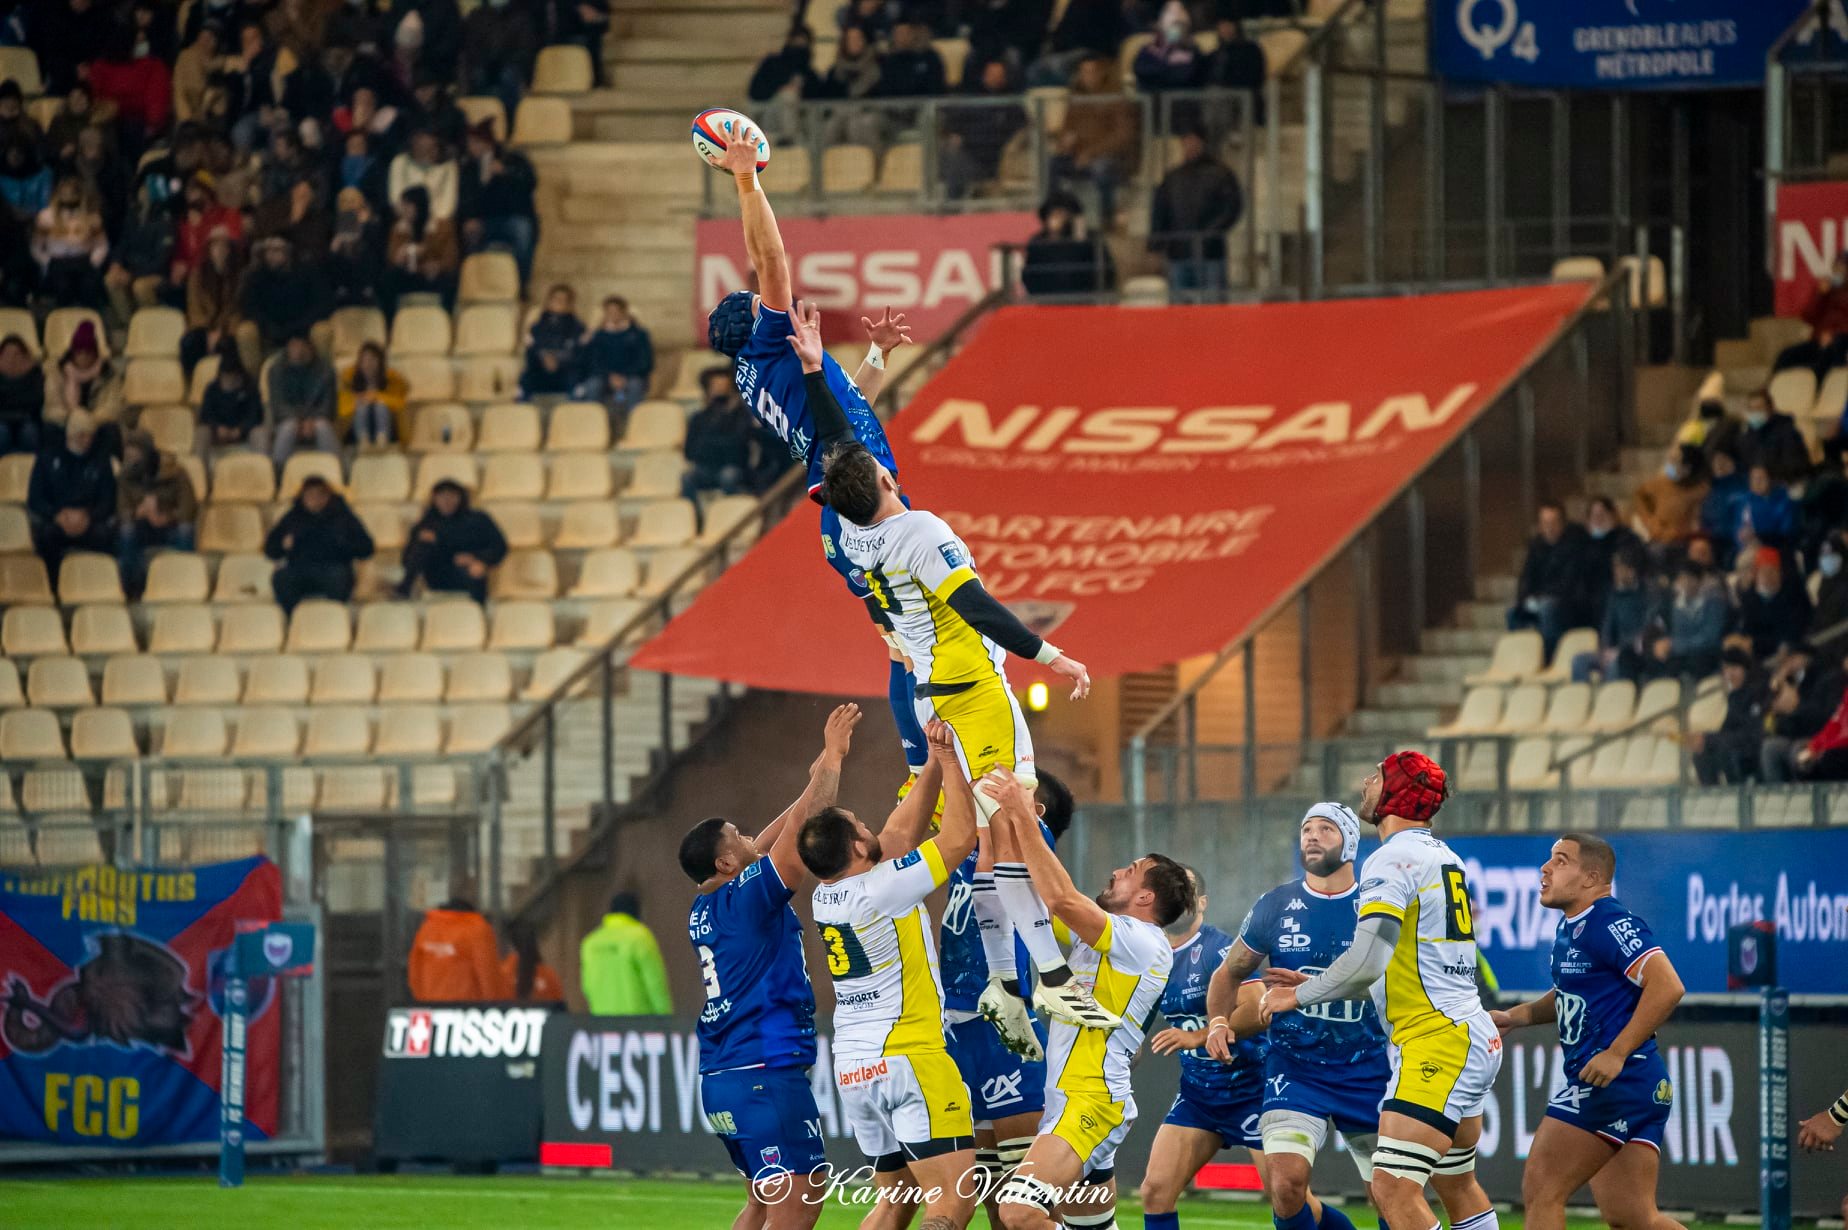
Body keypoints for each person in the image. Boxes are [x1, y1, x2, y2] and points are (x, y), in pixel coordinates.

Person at [706, 128, 923, 772]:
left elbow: (843, 407)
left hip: (845, 494)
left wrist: (878, 357)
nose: (765, 294)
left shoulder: (760, 368)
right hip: (858, 500)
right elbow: (772, 261)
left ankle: (921, 765)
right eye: (757, 301)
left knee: (905, 641)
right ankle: (924, 766)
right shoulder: (770, 341)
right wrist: (746, 178)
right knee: (913, 643)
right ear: (756, 321)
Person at [1259, 752, 1502, 1230]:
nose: (1367, 781)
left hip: (1436, 1040)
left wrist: (1297, 997)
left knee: (1391, 1188)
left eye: (1378, 775)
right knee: (1457, 1185)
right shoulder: (1442, 854)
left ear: (1397, 793)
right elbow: (1403, 966)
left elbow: (1369, 962)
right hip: (1468, 1032)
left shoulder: (1391, 858)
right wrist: (1322, 985)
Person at [680, 705, 861, 1230]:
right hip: (764, 1073)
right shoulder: (749, 898)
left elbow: (777, 836)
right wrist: (833, 759)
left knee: (762, 1203)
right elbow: (800, 843)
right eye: (737, 836)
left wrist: (815, 778)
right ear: (725, 863)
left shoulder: (707, 907)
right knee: (799, 1205)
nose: (749, 838)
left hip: (725, 1077)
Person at [984, 770, 1190, 1230]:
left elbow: (1060, 898)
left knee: (1018, 1211)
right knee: (1090, 1226)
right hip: (1070, 1096)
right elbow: (1029, 895)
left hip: (1091, 1100)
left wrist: (1021, 812)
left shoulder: (1144, 940)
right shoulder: (1104, 939)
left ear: (1145, 896)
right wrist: (1006, 821)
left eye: (1130, 871)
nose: (1116, 871)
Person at [797, 717, 980, 1229]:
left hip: (854, 1067)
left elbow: (897, 835)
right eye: (861, 825)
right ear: (857, 847)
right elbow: (960, 837)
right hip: (909, 1055)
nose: (871, 827)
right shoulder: (881, 889)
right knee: (953, 1200)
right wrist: (953, 763)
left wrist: (929, 762)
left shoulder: (827, 895)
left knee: (896, 1199)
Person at [1204, 802, 1386, 1230]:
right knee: (1285, 1186)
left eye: (1326, 829)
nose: (1312, 836)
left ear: (1351, 843)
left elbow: (1402, 984)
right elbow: (1228, 973)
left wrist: (1312, 986)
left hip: (1372, 1068)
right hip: (1296, 1069)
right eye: (1307, 828)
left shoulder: (1377, 905)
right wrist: (1217, 1022)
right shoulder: (1275, 905)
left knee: (1391, 1195)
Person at [1493, 835, 1687, 1230]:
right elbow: (1571, 993)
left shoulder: (1608, 921)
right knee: (1632, 1217)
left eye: (1561, 861)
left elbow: (1667, 986)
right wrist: (1519, 1016)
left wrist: (1616, 1052)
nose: (1545, 869)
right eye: (1548, 859)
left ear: (1591, 877)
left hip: (1616, 1082)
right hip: (1638, 1085)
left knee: (1543, 1190)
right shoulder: (1572, 929)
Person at [938, 771, 1074, 1221]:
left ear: (1032, 811)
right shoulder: (973, 846)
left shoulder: (1035, 845)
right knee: (992, 1197)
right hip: (959, 1031)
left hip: (1005, 1029)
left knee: (1027, 1198)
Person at [1138, 866, 1271, 1230]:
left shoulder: (1221, 948)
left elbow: (1259, 1010)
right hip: (1200, 1096)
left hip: (1254, 1089)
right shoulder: (1152, 956)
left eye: (1187, 890)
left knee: (1288, 1197)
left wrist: (1199, 1036)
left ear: (1202, 903)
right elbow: (1137, 1016)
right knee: (1155, 1191)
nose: (1178, 896)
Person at [1148, 126, 1242, 300]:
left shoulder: (1220, 174)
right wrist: (1155, 246)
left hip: (1210, 253)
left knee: (1213, 308)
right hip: (1179, 252)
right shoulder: (1172, 177)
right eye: (1185, 141)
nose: (1189, 145)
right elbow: (1160, 212)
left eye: (1193, 141)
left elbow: (1232, 208)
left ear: (1202, 143)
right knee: (1181, 309)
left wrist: (1209, 234)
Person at [1048, 56, 1139, 228]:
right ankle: (1055, 212)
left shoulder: (1116, 99)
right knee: (1053, 164)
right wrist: (1065, 142)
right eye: (1084, 72)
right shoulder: (1075, 99)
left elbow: (1123, 136)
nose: (1087, 76)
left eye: (1092, 72)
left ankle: (1107, 216)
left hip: (1110, 157)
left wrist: (1092, 152)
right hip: (1079, 154)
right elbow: (1067, 128)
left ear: (1102, 73)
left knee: (1102, 168)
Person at [264, 475, 375, 611]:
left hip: (333, 569)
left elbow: (367, 548)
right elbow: (270, 550)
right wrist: (283, 545)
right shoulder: (293, 517)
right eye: (309, 495)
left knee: (339, 577)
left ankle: (333, 617)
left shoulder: (343, 516)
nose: (314, 499)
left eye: (319, 495)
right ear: (303, 497)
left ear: (328, 496)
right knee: (281, 578)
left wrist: (345, 545)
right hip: (301, 569)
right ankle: (294, 620)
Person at [27, 410, 115, 574]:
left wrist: (88, 516)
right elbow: (35, 499)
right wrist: (57, 515)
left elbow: (108, 500)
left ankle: (98, 579)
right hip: (58, 520)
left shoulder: (101, 461)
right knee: (46, 536)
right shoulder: (47, 458)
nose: (86, 440)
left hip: (89, 520)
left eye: (90, 435)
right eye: (82, 435)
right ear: (71, 435)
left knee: (106, 535)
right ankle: (53, 584)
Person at [116, 429, 198, 598]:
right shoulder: (125, 477)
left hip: (169, 527)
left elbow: (189, 508)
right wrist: (138, 513)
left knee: (186, 530)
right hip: (142, 527)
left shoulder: (176, 473)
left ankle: (185, 581)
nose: (130, 462)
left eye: (134, 457)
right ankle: (133, 588)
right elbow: (121, 510)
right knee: (126, 532)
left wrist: (166, 516)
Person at [396, 478, 506, 603]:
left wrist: (479, 559)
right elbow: (406, 560)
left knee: (475, 570)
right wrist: (429, 542)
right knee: (424, 543)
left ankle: (478, 612)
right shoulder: (427, 523)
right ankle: (403, 590)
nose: (447, 501)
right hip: (437, 574)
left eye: (452, 496)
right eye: (442, 496)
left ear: (461, 498)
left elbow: (499, 546)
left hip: (468, 572)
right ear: (434, 499)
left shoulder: (478, 519)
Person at [458, 119, 538, 288]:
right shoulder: (468, 168)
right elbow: (465, 198)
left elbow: (530, 182)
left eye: (476, 143)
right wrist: (471, 218)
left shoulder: (514, 159)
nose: (472, 147)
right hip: (484, 220)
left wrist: (506, 172)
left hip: (513, 217)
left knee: (522, 230)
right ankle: (473, 284)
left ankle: (521, 284)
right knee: (467, 232)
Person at [1507, 501, 1590, 659]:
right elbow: (1526, 578)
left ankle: (1549, 657)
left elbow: (1569, 583)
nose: (1549, 527)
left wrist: (1540, 598)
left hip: (1567, 604)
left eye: (1553, 522)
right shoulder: (1536, 547)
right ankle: (1522, 658)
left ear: (1562, 524)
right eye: (1545, 523)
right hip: (1540, 599)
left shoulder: (1574, 546)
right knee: (1513, 613)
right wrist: (1525, 599)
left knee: (1547, 608)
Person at [580, 890, 672, 1016]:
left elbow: (587, 986)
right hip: (639, 1026)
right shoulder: (640, 937)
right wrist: (666, 1020)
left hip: (603, 1025)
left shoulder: (590, 943)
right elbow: (655, 984)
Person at [238, 236, 333, 359]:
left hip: (303, 331)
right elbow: (249, 307)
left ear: (289, 251)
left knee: (321, 331)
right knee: (246, 331)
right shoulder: (257, 276)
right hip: (269, 333)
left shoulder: (307, 272)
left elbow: (323, 304)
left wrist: (297, 328)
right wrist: (269, 327)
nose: (270, 255)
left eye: (276, 250)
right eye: (268, 250)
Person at [1572, 548, 1653, 683]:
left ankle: (1610, 700)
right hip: (1613, 650)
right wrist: (1605, 649)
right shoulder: (1614, 595)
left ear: (1631, 570)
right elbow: (1607, 625)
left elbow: (1646, 630)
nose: (1616, 573)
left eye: (1620, 568)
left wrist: (1619, 650)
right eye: (1615, 568)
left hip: (1632, 652)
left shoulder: (1647, 595)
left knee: (1614, 664)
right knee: (1579, 661)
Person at [407, 895, 506, 1001]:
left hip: (432, 1007)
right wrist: (494, 1005)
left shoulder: (427, 928)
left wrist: (423, 1002)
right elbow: (487, 976)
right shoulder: (477, 929)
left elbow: (415, 973)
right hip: (466, 1010)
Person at [1690, 647, 1766, 785]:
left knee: (1725, 752)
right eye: (1726, 669)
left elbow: (1751, 735)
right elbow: (1727, 730)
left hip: (1752, 753)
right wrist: (1705, 739)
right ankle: (1711, 798)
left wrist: (1709, 739)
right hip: (1735, 748)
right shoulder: (1734, 696)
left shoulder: (1757, 694)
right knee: (1701, 753)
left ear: (1745, 670)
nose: (1730, 674)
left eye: (1734, 668)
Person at [1021, 189, 1114, 298]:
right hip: (1047, 301)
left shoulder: (1089, 240)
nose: (1056, 219)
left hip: (1082, 301)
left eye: (1061, 214)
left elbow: (1104, 272)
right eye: (1053, 214)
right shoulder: (1038, 241)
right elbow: (1029, 274)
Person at [180, 226, 247, 377]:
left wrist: (221, 331)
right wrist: (207, 331)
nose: (220, 250)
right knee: (189, 343)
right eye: (215, 245)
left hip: (227, 328)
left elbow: (237, 309)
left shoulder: (239, 276)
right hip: (204, 326)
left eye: (224, 246)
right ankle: (191, 381)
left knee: (231, 344)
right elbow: (194, 307)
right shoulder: (197, 275)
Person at [33, 175, 108, 308]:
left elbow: (102, 245)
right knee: (63, 288)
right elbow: (36, 246)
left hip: (83, 262)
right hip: (57, 262)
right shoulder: (46, 216)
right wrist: (47, 261)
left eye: (73, 193)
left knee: (89, 289)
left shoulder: (92, 217)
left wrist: (93, 262)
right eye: (65, 193)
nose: (68, 196)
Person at [1646, 560, 1727, 680]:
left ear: (1700, 580)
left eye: (1690, 578)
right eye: (1682, 579)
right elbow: (1677, 634)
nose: (1686, 583)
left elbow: (1710, 637)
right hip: (1683, 652)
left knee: (1696, 661)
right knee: (1660, 661)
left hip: (1707, 652)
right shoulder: (1677, 605)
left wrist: (1675, 644)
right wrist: (1667, 645)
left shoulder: (1713, 602)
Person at [265, 333, 340, 464]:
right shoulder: (276, 370)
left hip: (316, 421)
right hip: (287, 421)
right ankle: (278, 473)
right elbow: (278, 406)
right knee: (289, 427)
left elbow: (328, 406)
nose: (297, 350)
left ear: (310, 347)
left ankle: (336, 472)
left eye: (301, 345)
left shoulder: (326, 371)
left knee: (323, 427)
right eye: (293, 345)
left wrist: (311, 421)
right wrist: (298, 421)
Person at [1775, 250, 1848, 381]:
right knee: (1786, 355)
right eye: (1836, 268)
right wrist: (1820, 295)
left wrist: (1833, 334)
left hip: (1840, 343)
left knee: (1834, 348)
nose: (1838, 272)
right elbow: (1808, 317)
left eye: (1842, 268)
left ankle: (1819, 389)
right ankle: (1770, 392)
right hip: (1819, 341)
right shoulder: (1827, 291)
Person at [682, 371, 754, 502]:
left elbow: (738, 447)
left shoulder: (741, 417)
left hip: (732, 466)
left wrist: (728, 414)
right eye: (716, 388)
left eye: (724, 389)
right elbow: (690, 451)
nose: (720, 393)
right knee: (687, 478)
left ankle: (729, 513)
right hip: (707, 467)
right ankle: (694, 517)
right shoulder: (699, 418)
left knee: (729, 477)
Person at [461, 0, 538, 117]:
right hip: (483, 66)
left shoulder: (521, 16)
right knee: (478, 76)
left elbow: (525, 50)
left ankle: (509, 121)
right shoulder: (477, 15)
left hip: (511, 68)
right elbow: (470, 48)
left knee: (508, 76)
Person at [581, 295, 653, 413]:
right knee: (592, 386)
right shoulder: (598, 336)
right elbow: (593, 361)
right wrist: (610, 376)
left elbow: (646, 362)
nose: (613, 314)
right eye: (609, 311)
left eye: (617, 311)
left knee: (635, 385)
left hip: (631, 377)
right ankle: (593, 422)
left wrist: (624, 376)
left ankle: (634, 422)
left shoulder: (639, 335)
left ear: (624, 312)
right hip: (604, 377)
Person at [1737, 546, 1811, 660]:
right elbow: (1748, 631)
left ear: (1780, 572)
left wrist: (1784, 644)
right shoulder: (1749, 599)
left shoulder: (1793, 593)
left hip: (1793, 649)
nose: (1768, 576)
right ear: (1756, 574)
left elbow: (1797, 625)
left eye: (1772, 570)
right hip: (1760, 655)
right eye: (1764, 571)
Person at [1630, 442, 1706, 547]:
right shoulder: (1661, 483)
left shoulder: (1700, 491)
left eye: (1674, 461)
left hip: (1679, 544)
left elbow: (1693, 526)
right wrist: (1651, 523)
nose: (1669, 464)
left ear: (1687, 468)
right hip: (1654, 537)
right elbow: (1641, 496)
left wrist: (1668, 534)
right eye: (1670, 459)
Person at [338, 340, 408, 447]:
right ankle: (363, 441)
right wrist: (359, 399)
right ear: (359, 362)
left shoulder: (391, 380)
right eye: (365, 360)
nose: (368, 364)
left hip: (387, 427)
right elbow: (343, 408)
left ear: (380, 362)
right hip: (356, 428)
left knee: (380, 406)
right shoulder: (350, 379)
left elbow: (399, 403)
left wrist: (375, 396)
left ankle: (382, 440)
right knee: (362, 407)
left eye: (373, 359)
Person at [520, 282, 586, 397]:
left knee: (576, 381)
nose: (559, 302)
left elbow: (578, 353)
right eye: (556, 298)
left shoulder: (578, 327)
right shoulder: (537, 327)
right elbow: (531, 350)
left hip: (566, 371)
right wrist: (545, 358)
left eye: (564, 299)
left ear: (570, 303)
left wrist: (558, 360)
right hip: (541, 369)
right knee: (525, 379)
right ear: (549, 301)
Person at [196, 350, 267, 453]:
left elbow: (255, 415)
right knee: (202, 432)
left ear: (239, 375)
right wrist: (217, 427)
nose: (229, 381)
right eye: (225, 377)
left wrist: (241, 430)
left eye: (232, 377)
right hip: (218, 432)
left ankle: (262, 466)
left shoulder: (250, 388)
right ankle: (200, 468)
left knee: (260, 433)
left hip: (244, 432)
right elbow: (205, 415)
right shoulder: (212, 389)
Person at [1735, 388, 1811, 486]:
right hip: (1754, 487)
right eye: (1751, 409)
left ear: (1771, 409)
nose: (1755, 412)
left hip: (1783, 484)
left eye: (1759, 408)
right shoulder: (1747, 435)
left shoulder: (1787, 431)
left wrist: (1767, 473)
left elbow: (1795, 466)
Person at [388, 126, 458, 222]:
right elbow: (396, 198)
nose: (424, 145)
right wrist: (411, 217)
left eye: (431, 144)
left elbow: (448, 201)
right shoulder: (400, 162)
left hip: (439, 221)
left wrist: (432, 221)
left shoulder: (449, 166)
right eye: (420, 140)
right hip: (406, 220)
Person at [1134, 2, 1205, 96]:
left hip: (1184, 105)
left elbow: (1189, 76)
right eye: (1170, 11)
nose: (1177, 13)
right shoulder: (1149, 50)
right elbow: (1142, 72)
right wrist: (1169, 61)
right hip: (1156, 105)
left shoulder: (1194, 51)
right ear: (1160, 21)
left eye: (1181, 9)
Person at [0, 334, 44, 456]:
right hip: (2, 421)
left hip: (28, 420)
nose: (12, 358)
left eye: (17, 354)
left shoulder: (35, 373)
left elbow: (36, 400)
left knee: (30, 433)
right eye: (7, 354)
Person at [1698, 448, 1746, 555]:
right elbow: (1704, 519)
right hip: (1713, 539)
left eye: (1723, 461)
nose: (1719, 465)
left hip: (1737, 539)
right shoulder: (1709, 489)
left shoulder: (1743, 487)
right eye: (1715, 462)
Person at [1741, 462, 1797, 546]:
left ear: (1770, 479)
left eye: (1761, 478)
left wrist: (1760, 538)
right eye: (1753, 479)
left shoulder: (1783, 501)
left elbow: (1786, 533)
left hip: (1777, 547)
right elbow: (1739, 529)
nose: (1757, 483)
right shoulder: (1745, 501)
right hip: (1750, 546)